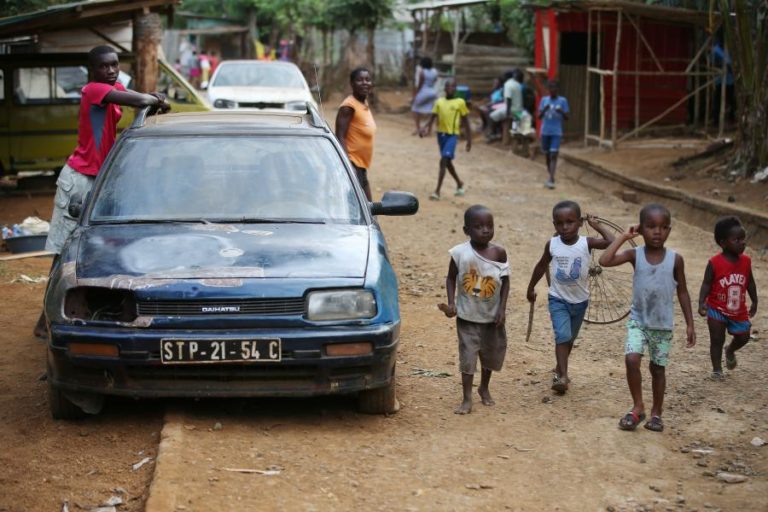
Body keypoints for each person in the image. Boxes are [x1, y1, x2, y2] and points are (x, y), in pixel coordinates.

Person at [33, 46, 171, 338]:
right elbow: (140, 99)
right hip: (79, 180)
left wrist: (154, 100)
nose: (110, 70)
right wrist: (153, 98)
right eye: (104, 66)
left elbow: (138, 100)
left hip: (101, 181)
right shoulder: (93, 90)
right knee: (64, 251)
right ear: (91, 71)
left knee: (103, 246)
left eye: (114, 65)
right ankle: (46, 317)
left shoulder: (115, 87)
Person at [599, 204, 696, 433]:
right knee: (632, 359)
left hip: (662, 325)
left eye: (663, 227)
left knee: (657, 369)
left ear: (669, 231)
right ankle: (638, 406)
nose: (657, 232)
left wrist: (690, 323)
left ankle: (656, 413)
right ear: (641, 229)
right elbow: (605, 260)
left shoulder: (675, 259)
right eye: (650, 227)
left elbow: (682, 291)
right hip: (638, 321)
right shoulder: (635, 255)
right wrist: (623, 236)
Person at [526, 201, 614, 394]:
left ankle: (560, 368)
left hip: (580, 301)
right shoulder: (553, 244)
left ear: (579, 223)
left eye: (570, 222)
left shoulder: (586, 243)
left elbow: (610, 241)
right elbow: (541, 266)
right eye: (560, 223)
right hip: (558, 299)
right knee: (562, 336)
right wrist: (531, 287)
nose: (565, 227)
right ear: (554, 224)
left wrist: (596, 225)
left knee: (570, 339)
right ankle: (563, 377)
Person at [438, 205, 509, 414]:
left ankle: (484, 388)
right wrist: (451, 304)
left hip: (492, 318)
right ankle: (466, 398)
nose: (485, 230)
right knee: (468, 358)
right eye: (478, 226)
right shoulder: (460, 253)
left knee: (490, 356)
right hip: (467, 318)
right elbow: (451, 278)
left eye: (489, 226)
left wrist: (502, 309)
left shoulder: (499, 253)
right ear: (466, 230)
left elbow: (506, 282)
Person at [697, 216, 758, 380]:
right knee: (716, 339)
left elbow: (750, 282)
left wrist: (755, 301)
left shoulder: (746, 261)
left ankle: (730, 350)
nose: (742, 243)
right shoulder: (714, 262)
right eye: (737, 239)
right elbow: (706, 284)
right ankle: (717, 370)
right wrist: (702, 302)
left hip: (738, 309)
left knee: (744, 336)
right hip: (717, 308)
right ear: (723, 242)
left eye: (743, 239)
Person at [422, 80, 471, 200]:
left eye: (453, 86)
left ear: (455, 89)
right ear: (444, 88)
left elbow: (466, 122)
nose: (450, 88)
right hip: (441, 136)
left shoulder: (460, 102)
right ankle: (459, 183)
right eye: (448, 86)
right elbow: (432, 117)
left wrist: (469, 140)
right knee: (447, 162)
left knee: (443, 160)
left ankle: (437, 191)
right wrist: (425, 128)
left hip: (452, 136)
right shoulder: (439, 102)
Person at [335, 67, 376, 201]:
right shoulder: (348, 107)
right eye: (360, 80)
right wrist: (348, 165)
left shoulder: (363, 102)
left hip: (361, 167)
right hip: (353, 166)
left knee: (369, 210)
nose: (365, 83)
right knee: (364, 211)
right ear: (352, 84)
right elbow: (340, 136)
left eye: (367, 80)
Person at [538, 80, 569, 189]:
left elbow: (567, 118)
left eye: (554, 89)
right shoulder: (544, 100)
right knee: (547, 155)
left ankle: (551, 179)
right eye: (550, 89)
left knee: (553, 155)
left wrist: (561, 112)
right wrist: (544, 110)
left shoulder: (563, 101)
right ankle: (550, 173)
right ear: (548, 90)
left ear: (557, 89)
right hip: (545, 131)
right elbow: (539, 117)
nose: (552, 91)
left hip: (556, 132)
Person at [411, 57, 438, 136]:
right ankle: (429, 130)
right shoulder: (435, 71)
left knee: (415, 108)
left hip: (424, 92)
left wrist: (416, 95)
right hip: (433, 92)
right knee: (431, 111)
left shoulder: (422, 72)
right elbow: (435, 80)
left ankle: (418, 128)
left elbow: (420, 84)